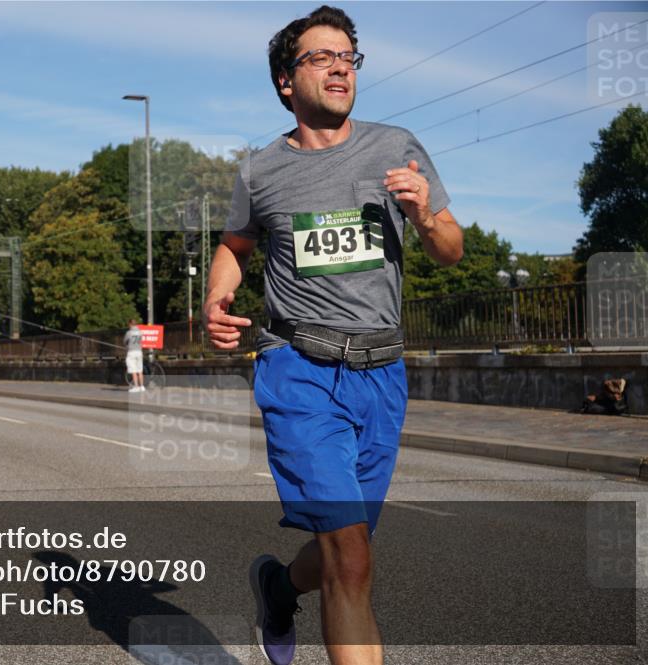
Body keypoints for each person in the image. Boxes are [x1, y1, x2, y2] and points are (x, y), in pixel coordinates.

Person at [202, 6, 463, 665]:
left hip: (382, 374)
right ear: (286, 81)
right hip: (299, 369)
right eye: (321, 57)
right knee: (350, 558)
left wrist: (424, 215)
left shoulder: (395, 145)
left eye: (349, 56)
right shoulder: (260, 171)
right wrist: (215, 295)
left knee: (346, 548)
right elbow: (234, 244)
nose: (340, 65)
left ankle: (277, 584)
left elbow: (451, 248)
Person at [124, 319, 145, 393]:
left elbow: (125, 341)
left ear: (130, 324)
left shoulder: (129, 333)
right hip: (139, 352)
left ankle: (136, 386)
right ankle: (142, 386)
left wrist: (127, 346)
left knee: (133, 370)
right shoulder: (140, 332)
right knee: (140, 370)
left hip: (132, 352)